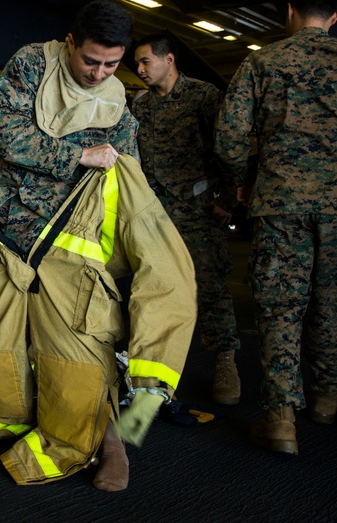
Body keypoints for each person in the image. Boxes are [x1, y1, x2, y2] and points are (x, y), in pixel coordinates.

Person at [0, 0, 196, 491]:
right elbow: (8, 133)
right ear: (70, 42)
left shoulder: (118, 97)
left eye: (111, 64)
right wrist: (80, 153)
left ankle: (114, 440)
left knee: (80, 344)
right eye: (90, 61)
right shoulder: (32, 63)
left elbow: (127, 162)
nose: (99, 73)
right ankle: (4, 419)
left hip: (67, 233)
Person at [215, 0, 337, 455]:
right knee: (331, 303)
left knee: (280, 308)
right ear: (334, 17)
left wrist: (242, 181)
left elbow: (227, 141)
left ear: (288, 13)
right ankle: (327, 399)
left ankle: (282, 419)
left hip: (280, 202)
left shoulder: (262, 62)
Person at [132, 32, 241, 405]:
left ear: (170, 60)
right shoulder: (140, 106)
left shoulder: (204, 96)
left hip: (195, 211)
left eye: (146, 61)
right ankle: (156, 372)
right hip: (154, 215)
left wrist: (227, 199)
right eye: (138, 63)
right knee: (154, 290)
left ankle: (225, 361)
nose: (140, 69)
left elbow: (227, 149)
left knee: (208, 288)